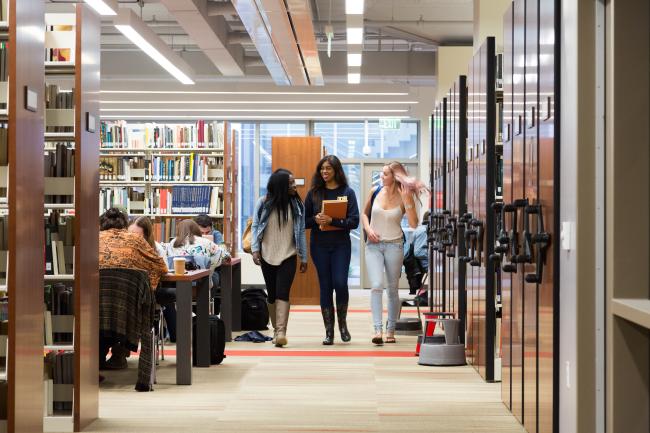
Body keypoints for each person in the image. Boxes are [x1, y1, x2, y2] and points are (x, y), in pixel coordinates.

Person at [361, 162, 422, 345]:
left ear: (395, 177)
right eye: (382, 173)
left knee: (392, 289)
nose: (382, 176)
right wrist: (368, 229)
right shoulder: (375, 191)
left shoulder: (405, 196)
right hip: (373, 245)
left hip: (395, 245)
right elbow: (364, 215)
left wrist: (408, 201)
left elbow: (413, 224)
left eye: (385, 174)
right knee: (377, 285)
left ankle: (391, 329)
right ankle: (378, 330)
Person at [99, 208, 168, 369]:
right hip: (129, 308)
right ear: (125, 226)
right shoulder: (135, 241)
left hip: (95, 306)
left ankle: (97, 359)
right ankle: (119, 355)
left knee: (102, 312)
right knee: (134, 305)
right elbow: (161, 267)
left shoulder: (89, 240)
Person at [305, 155, 359, 345]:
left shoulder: (348, 192)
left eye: (328, 168)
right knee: (325, 286)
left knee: (340, 283)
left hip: (341, 246)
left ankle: (342, 325)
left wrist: (333, 221)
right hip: (319, 246)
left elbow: (354, 221)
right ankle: (329, 332)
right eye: (322, 169)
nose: (324, 172)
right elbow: (304, 221)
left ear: (337, 170)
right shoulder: (313, 193)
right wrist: (316, 220)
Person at [251, 169, 307, 347]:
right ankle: (276, 331)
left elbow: (301, 233)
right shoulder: (263, 202)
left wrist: (304, 257)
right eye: (291, 183)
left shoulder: (297, 205)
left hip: (288, 255)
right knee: (272, 294)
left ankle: (281, 332)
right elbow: (255, 226)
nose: (294, 185)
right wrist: (255, 249)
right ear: (281, 185)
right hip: (267, 254)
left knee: (283, 292)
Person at [159, 219, 229, 342]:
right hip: (200, 289)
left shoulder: (173, 243)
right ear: (196, 229)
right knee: (213, 277)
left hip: (176, 290)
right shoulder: (206, 242)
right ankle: (201, 324)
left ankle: (175, 331)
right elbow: (224, 257)